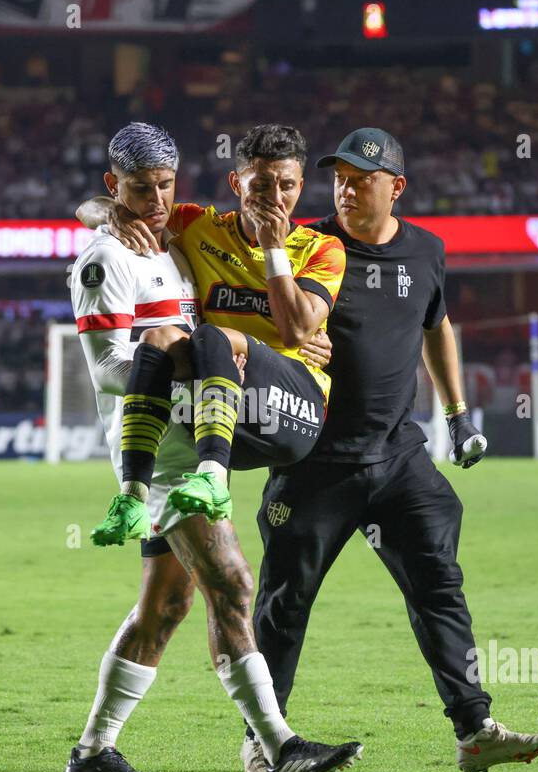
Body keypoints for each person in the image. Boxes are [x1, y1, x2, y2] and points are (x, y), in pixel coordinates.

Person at [246, 128, 538, 772]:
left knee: (439, 581)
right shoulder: (309, 245)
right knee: (284, 601)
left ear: (397, 187)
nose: (348, 189)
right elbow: (261, 313)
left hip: (397, 458)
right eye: (341, 177)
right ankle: (265, 739)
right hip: (314, 463)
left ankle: (474, 729)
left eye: (363, 178)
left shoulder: (427, 251)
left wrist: (459, 413)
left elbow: (436, 327)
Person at [64, 122, 361, 772]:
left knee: (164, 608)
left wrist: (257, 353)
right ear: (115, 187)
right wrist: (181, 354)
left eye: (166, 185)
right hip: (161, 445)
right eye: (140, 189)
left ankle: (93, 752)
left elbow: (258, 324)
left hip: (189, 425)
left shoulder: (173, 241)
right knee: (232, 583)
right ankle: (279, 744)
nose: (158, 200)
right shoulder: (105, 257)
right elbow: (107, 369)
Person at [78, 123, 346, 542]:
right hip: (221, 410)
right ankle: (133, 496)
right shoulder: (200, 228)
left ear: (301, 186)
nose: (275, 199)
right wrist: (111, 213)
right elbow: (104, 206)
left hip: (295, 409)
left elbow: (294, 332)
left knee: (210, 338)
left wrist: (273, 248)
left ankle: (213, 480)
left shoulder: (321, 248)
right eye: (261, 185)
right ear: (236, 182)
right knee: (161, 339)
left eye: (287, 186)